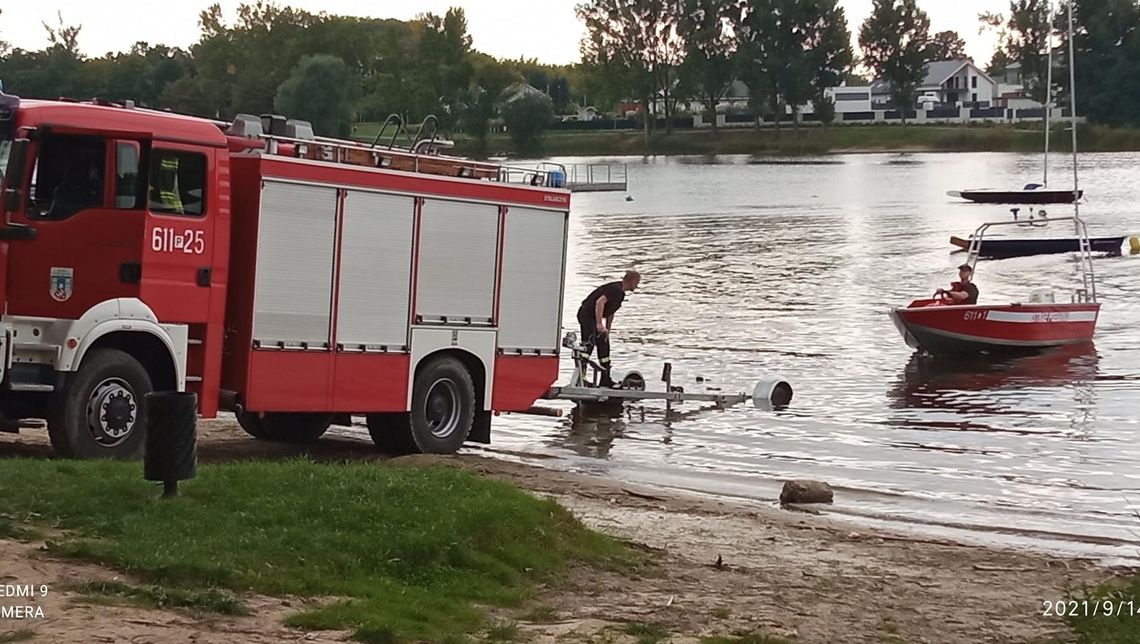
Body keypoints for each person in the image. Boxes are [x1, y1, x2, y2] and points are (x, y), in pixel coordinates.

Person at [577, 270, 641, 388]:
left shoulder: (621, 295)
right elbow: (599, 303)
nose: (637, 286)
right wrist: (599, 324)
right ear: (631, 281)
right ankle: (580, 377)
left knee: (604, 344)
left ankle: (605, 378)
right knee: (589, 343)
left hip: (596, 318)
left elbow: (610, 313)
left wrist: (607, 330)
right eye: (637, 283)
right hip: (587, 314)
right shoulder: (615, 289)